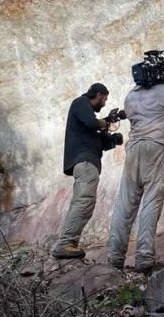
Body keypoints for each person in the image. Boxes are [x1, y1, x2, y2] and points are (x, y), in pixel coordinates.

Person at [106, 79, 164, 272]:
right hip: (156, 147)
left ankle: (114, 258)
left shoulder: (130, 96)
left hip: (134, 149)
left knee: (125, 203)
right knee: (151, 200)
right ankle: (144, 257)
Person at [50, 82, 112, 259]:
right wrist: (105, 122)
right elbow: (92, 123)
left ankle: (69, 242)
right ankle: (65, 244)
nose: (105, 103)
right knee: (84, 201)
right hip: (84, 162)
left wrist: (111, 138)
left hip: (87, 161)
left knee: (82, 201)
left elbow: (97, 136)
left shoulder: (86, 118)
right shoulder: (81, 103)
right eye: (105, 99)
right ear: (98, 94)